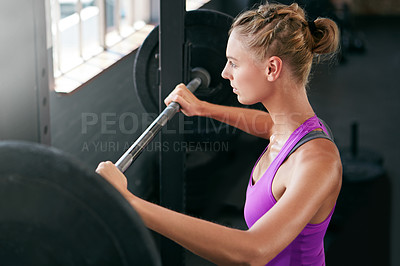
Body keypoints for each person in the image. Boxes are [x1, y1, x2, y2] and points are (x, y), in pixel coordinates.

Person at [96, 2, 342, 265]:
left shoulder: (318, 161)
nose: (225, 74)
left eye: (234, 63)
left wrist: (130, 203)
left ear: (272, 69)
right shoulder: (293, 132)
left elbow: (253, 251)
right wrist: (203, 108)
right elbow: (268, 124)